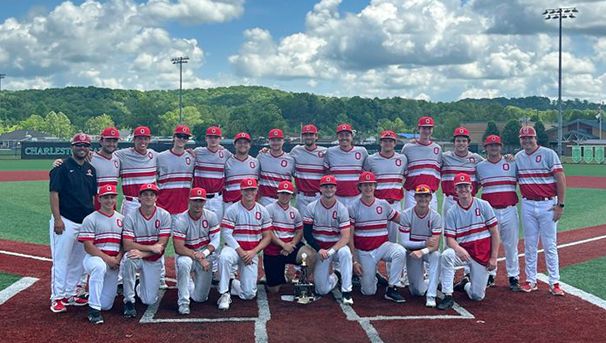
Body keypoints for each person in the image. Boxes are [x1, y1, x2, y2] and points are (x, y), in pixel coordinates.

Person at [515, 126, 566, 296]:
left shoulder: (548, 154)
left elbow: (560, 179)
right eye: (524, 138)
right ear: (520, 140)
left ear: (536, 138)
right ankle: (531, 280)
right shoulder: (518, 157)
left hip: (547, 204)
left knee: (550, 244)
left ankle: (554, 281)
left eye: (530, 138)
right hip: (528, 204)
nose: (527, 141)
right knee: (530, 244)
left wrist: (561, 204)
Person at [49, 133, 97, 313]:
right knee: (61, 260)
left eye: (85, 145)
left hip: (83, 222)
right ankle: (57, 297)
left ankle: (70, 293)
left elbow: (92, 196)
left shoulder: (90, 169)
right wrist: (58, 219)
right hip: (66, 220)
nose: (82, 148)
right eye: (79, 145)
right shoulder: (61, 167)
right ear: (72, 147)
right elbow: (54, 194)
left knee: (78, 260)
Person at [438, 173, 500, 310]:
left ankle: (465, 284)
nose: (463, 190)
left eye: (466, 186)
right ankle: (448, 294)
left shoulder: (483, 205)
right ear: (455, 190)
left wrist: (494, 257)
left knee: (477, 296)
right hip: (464, 253)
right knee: (447, 255)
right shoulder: (452, 211)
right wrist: (459, 249)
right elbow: (450, 239)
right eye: (460, 187)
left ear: (471, 188)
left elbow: (495, 233)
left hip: (481, 255)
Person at [347, 172, 407, 302]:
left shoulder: (383, 204)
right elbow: (349, 237)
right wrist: (354, 261)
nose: (368, 188)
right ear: (360, 187)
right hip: (364, 251)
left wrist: (421, 218)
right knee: (368, 292)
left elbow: (400, 219)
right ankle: (372, 275)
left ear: (375, 186)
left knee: (400, 251)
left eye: (371, 185)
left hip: (382, 247)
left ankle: (392, 287)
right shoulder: (352, 207)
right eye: (365, 185)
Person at [217, 178, 272, 310]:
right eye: (246, 189)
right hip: (234, 250)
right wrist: (241, 252)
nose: (249, 192)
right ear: (241, 191)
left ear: (256, 190)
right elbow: (226, 234)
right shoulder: (232, 209)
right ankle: (224, 293)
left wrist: (253, 252)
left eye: (252, 189)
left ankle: (230, 282)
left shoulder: (262, 211)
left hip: (251, 252)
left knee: (248, 294)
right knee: (224, 257)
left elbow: (267, 237)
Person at [476, 135, 521, 291]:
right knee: (489, 245)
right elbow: (474, 188)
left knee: (511, 245)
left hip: (509, 209)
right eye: (490, 145)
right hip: (489, 212)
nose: (493, 148)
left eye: (496, 145)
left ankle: (513, 277)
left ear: (501, 147)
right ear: (485, 147)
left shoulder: (511, 163)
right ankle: (490, 275)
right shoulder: (480, 166)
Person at [363, 129, 408, 287]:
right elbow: (365, 180)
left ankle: (392, 278)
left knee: (393, 241)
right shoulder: (371, 159)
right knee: (374, 238)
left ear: (395, 143)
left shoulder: (402, 159)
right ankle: (372, 272)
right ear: (380, 142)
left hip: (394, 203)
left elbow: (408, 176)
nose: (387, 143)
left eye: (391, 140)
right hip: (375, 205)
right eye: (385, 140)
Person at [122, 183, 171, 318]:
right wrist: (150, 248)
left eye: (152, 194)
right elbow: (127, 245)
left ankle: (139, 286)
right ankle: (129, 301)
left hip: (152, 259)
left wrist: (144, 253)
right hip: (138, 255)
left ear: (156, 198)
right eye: (145, 194)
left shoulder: (164, 215)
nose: (148, 197)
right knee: (129, 259)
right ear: (139, 198)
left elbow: (161, 246)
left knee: (148, 300)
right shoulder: (131, 216)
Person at [303, 175, 354, 304]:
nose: (328, 189)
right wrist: (319, 250)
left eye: (331, 186)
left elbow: (346, 237)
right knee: (321, 289)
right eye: (325, 186)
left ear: (336, 189)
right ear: (320, 188)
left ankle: (347, 291)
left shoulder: (342, 209)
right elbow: (307, 235)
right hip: (320, 249)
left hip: (336, 247)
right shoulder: (311, 207)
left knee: (346, 253)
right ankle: (337, 275)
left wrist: (330, 252)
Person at [77, 185, 124, 324]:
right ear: (99, 199)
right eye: (106, 197)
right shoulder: (91, 219)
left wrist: (118, 258)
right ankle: (93, 310)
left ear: (116, 198)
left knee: (107, 305)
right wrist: (108, 259)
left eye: (112, 197)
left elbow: (124, 244)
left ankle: (94, 297)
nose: (109, 200)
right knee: (99, 267)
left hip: (114, 262)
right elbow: (88, 246)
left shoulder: (122, 219)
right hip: (94, 259)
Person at [173, 187, 221, 315]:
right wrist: (199, 257)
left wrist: (204, 254)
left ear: (205, 202)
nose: (198, 204)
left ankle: (187, 282)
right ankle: (183, 302)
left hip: (204, 255)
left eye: (201, 201)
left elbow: (216, 241)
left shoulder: (211, 216)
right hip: (187, 254)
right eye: (195, 200)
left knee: (200, 299)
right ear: (189, 201)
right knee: (183, 263)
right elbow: (178, 248)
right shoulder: (181, 219)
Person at [264, 181, 317, 293]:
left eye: (288, 193)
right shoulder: (268, 209)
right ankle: (277, 275)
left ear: (292, 195)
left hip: (290, 247)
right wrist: (283, 245)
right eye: (282, 193)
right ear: (277, 193)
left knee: (310, 255)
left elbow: (299, 231)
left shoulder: (295, 212)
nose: (285, 196)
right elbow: (268, 232)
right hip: (273, 250)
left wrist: (292, 245)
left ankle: (302, 282)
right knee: (273, 290)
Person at [398, 184, 442, 308]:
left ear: (431, 198)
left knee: (436, 256)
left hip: (426, 252)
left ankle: (431, 295)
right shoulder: (406, 215)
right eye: (420, 196)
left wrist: (422, 251)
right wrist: (423, 244)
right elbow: (405, 243)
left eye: (426, 196)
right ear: (415, 197)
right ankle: (433, 281)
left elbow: (436, 245)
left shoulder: (435, 216)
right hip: (412, 252)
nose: (423, 199)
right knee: (416, 291)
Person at [440, 127, 484, 218]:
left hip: (469, 200)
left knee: (469, 231)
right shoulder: (444, 157)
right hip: (450, 200)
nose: (461, 143)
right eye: (458, 141)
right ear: (454, 142)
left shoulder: (477, 159)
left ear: (468, 143)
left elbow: (489, 167)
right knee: (449, 231)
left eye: (464, 141)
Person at [115, 126, 158, 217]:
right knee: (128, 230)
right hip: (131, 203)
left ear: (149, 140)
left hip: (150, 201)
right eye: (140, 138)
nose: (143, 142)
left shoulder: (154, 155)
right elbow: (105, 155)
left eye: (145, 139)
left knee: (150, 230)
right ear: (134, 140)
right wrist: (90, 154)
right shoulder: (123, 154)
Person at [401, 117, 441, 210]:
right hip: (412, 193)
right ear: (418, 129)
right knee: (410, 223)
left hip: (430, 193)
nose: (426, 131)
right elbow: (402, 169)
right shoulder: (408, 148)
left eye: (429, 128)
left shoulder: (437, 148)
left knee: (431, 223)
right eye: (424, 128)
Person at [323, 123, 368, 207]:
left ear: (352, 136)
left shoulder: (362, 151)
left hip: (357, 196)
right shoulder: (330, 152)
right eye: (341, 135)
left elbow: (365, 174)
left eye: (347, 135)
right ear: (337, 137)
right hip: (336, 196)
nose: (344, 138)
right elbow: (326, 173)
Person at [193, 126, 233, 221]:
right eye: (210, 137)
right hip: (200, 197)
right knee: (198, 227)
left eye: (216, 137)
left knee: (215, 229)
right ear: (206, 138)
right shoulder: (198, 152)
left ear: (220, 138)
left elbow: (238, 158)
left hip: (217, 198)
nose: (213, 140)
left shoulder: (225, 153)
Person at [157, 125, 195, 217]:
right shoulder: (161, 157)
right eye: (179, 136)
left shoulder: (192, 157)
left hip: (183, 208)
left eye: (185, 137)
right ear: (174, 137)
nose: (182, 139)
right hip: (163, 206)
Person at [290, 124, 327, 214]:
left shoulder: (325, 152)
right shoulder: (296, 150)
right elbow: (283, 158)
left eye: (311, 134)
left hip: (318, 196)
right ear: (302, 137)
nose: (308, 137)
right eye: (306, 135)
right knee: (301, 226)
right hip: (301, 197)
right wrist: (267, 151)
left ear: (316, 136)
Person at [258, 129, 295, 206]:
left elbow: (298, 179)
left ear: (283, 141)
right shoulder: (261, 156)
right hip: (265, 200)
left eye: (278, 140)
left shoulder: (290, 159)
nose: (276, 143)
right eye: (273, 140)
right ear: (269, 141)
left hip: (284, 200)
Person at [222, 132, 260, 207]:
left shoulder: (256, 162)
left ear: (249, 145)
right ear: (235, 145)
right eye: (239, 142)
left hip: (251, 204)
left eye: (245, 142)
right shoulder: (227, 162)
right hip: (231, 204)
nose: (242, 145)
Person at [91, 127, 121, 211]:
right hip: (96, 202)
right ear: (101, 141)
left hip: (111, 202)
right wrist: (59, 161)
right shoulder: (90, 158)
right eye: (108, 141)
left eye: (114, 141)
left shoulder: (117, 159)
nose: (111, 144)